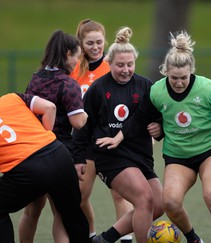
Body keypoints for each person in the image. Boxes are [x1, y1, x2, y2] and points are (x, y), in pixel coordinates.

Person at [97, 30, 211, 243]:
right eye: (174, 78)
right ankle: (193, 238)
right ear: (165, 72)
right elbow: (139, 118)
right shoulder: (157, 92)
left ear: (192, 72)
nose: (179, 83)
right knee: (169, 202)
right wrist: (120, 136)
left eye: (184, 78)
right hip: (178, 155)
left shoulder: (207, 87)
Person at [0, 83, 90, 243]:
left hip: (28, 170)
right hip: (59, 154)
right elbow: (50, 107)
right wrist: (44, 138)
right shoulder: (12, 97)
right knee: (72, 213)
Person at [73, 26, 164, 243]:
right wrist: (78, 159)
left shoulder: (145, 86)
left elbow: (160, 114)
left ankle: (106, 238)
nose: (125, 69)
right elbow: (82, 126)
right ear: (109, 63)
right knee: (143, 199)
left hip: (140, 155)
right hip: (111, 156)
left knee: (159, 205)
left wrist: (159, 127)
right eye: (120, 65)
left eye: (130, 64)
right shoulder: (97, 89)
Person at [18, 30, 88, 243]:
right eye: (76, 56)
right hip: (59, 153)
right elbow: (78, 122)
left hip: (33, 152)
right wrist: (89, 113)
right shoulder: (69, 84)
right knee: (61, 212)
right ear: (68, 55)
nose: (77, 61)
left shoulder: (35, 79)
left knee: (32, 210)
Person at [70, 19, 134, 242]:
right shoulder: (74, 67)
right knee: (79, 196)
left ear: (105, 41)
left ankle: (125, 239)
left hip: (112, 138)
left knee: (119, 194)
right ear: (81, 43)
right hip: (85, 140)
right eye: (90, 43)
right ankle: (91, 235)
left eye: (99, 42)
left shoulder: (113, 64)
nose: (95, 47)